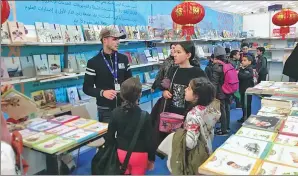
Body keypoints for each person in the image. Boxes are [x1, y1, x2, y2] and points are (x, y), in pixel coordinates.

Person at [157, 77, 221, 174]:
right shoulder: (208, 110)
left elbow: (190, 143)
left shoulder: (193, 114)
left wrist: (178, 134)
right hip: (207, 149)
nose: (186, 89)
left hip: (194, 158)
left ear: (196, 96)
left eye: (189, 88)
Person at [105, 78, 155, 175]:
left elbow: (109, 136)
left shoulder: (115, 113)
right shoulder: (145, 116)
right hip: (139, 155)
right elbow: (150, 140)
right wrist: (151, 159)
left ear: (122, 94)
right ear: (140, 94)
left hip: (121, 153)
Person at [83, 26, 132, 122]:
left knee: (126, 136)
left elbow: (130, 81)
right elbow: (86, 88)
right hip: (106, 110)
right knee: (109, 137)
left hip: (125, 107)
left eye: (119, 39)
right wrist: (103, 92)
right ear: (104, 40)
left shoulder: (123, 59)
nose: (118, 42)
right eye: (114, 39)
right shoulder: (93, 62)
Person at [160, 41, 207, 116]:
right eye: (174, 52)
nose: (175, 55)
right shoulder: (173, 70)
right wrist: (165, 92)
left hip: (191, 115)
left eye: (178, 52)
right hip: (172, 114)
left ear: (188, 55)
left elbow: (205, 93)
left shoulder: (198, 72)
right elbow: (166, 85)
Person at [209, 45, 230, 136]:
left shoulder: (217, 66)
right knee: (227, 108)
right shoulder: (228, 63)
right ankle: (226, 127)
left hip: (220, 91)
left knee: (222, 110)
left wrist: (212, 94)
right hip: (228, 90)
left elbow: (214, 82)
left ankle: (223, 130)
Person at [237, 56, 254, 123]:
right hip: (242, 89)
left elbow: (245, 76)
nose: (242, 61)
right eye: (242, 60)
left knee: (248, 104)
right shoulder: (242, 69)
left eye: (245, 60)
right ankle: (244, 116)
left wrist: (238, 73)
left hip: (248, 90)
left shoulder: (249, 69)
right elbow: (239, 76)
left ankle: (248, 117)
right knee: (243, 104)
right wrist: (240, 72)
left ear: (249, 62)